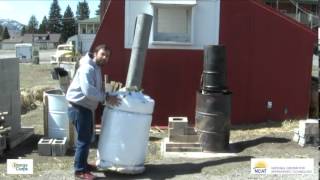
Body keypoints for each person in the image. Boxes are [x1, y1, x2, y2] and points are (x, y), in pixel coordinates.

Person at [66, 44, 121, 179]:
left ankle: (83, 164)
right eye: (102, 54)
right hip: (78, 107)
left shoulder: (96, 67)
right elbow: (88, 91)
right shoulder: (87, 68)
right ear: (95, 53)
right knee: (83, 140)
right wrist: (106, 98)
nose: (105, 58)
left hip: (85, 107)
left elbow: (95, 88)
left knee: (87, 138)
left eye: (107, 56)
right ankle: (79, 171)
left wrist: (104, 93)